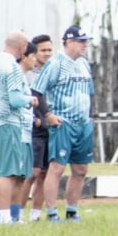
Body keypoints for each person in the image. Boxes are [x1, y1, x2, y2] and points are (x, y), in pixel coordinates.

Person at [31, 25, 95, 222]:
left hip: (82, 124)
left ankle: (72, 210)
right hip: (63, 122)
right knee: (57, 167)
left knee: (80, 169)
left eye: (86, 41)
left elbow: (90, 92)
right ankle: (51, 213)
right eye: (80, 41)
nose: (85, 45)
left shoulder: (84, 64)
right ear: (68, 42)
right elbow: (36, 92)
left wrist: (90, 116)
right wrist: (48, 115)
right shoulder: (55, 63)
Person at [0, 31, 36, 224]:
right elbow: (15, 100)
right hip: (7, 122)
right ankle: (6, 218)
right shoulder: (12, 68)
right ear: (22, 46)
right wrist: (31, 100)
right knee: (8, 173)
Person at [20, 34, 54, 221]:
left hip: (52, 128)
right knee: (31, 172)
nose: (47, 54)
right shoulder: (27, 74)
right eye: (43, 50)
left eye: (50, 50)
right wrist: (35, 119)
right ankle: (19, 213)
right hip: (34, 128)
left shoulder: (54, 70)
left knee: (45, 173)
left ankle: (36, 214)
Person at [11, 42, 39, 222]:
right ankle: (8, 215)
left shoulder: (25, 77)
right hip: (17, 130)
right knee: (13, 176)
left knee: (22, 176)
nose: (35, 60)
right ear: (24, 56)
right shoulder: (15, 75)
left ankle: (14, 215)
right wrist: (30, 100)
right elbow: (14, 100)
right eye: (33, 56)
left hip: (27, 129)